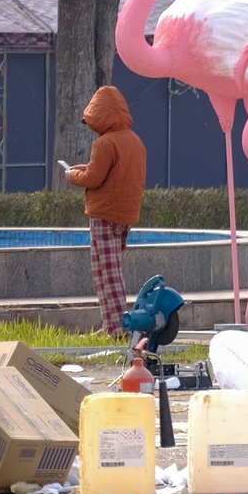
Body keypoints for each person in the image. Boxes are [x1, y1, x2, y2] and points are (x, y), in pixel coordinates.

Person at [64, 85, 147, 337]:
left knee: (105, 273)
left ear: (100, 116)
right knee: (112, 269)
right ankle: (110, 325)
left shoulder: (104, 143)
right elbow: (111, 174)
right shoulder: (135, 141)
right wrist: (86, 169)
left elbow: (93, 179)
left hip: (104, 214)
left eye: (91, 120)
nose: (90, 126)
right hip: (125, 215)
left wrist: (72, 175)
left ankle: (118, 327)